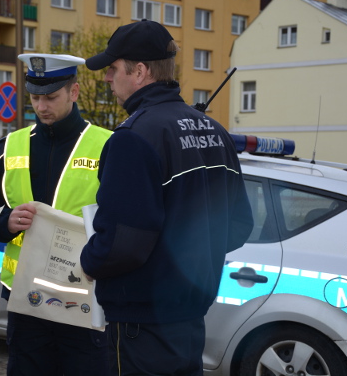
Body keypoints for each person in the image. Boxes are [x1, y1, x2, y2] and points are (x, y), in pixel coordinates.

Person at [80, 19, 254, 376]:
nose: (108, 79)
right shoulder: (215, 132)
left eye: (113, 70)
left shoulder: (133, 137)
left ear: (140, 71)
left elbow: (122, 245)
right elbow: (239, 226)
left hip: (139, 325)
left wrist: (86, 260)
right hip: (190, 318)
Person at [0, 53, 112, 376]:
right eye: (35, 97)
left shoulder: (107, 146)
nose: (41, 106)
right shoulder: (11, 146)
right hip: (24, 300)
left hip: (83, 299)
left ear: (74, 92)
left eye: (51, 97)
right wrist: (5, 221)